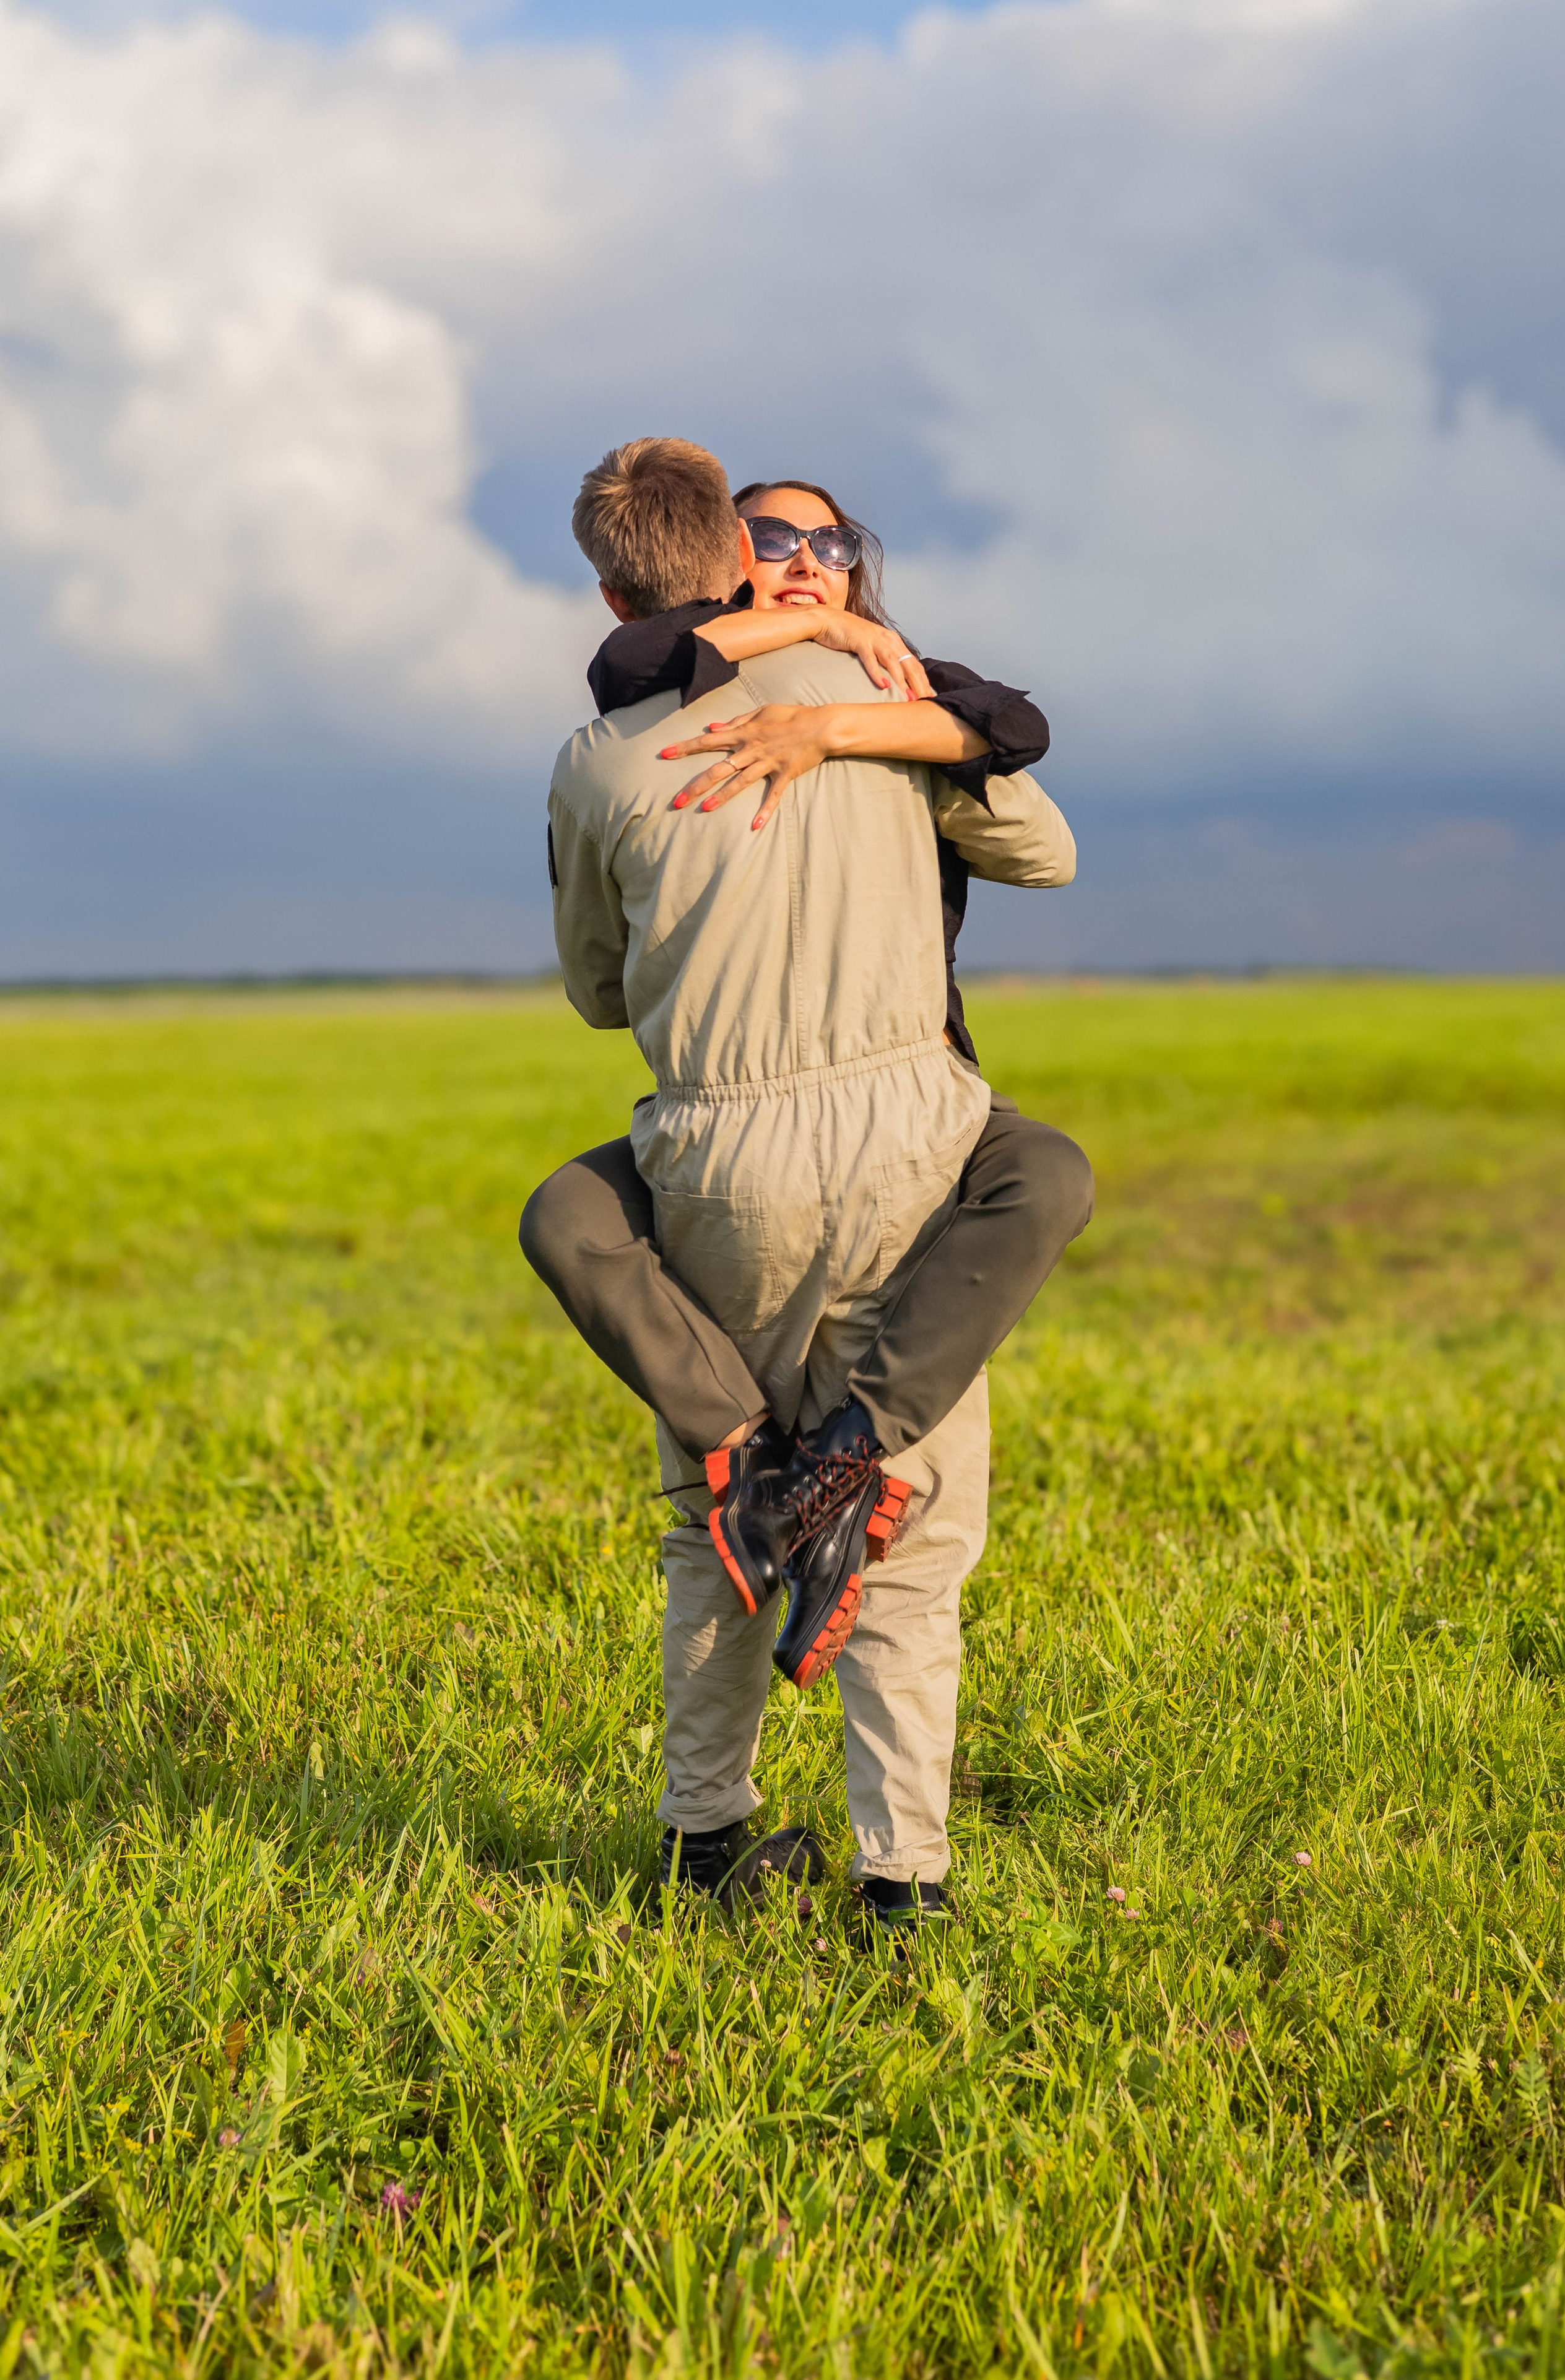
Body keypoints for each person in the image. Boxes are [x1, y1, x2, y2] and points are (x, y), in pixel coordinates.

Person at [532, 438, 1088, 1938]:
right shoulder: (889, 704)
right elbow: (1043, 849)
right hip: (908, 1133)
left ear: (620, 592)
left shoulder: (597, 755)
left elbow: (596, 993)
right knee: (904, 1532)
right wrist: (875, 727)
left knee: (716, 1525)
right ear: (739, 561)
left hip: (713, 1161)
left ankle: (701, 1845)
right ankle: (900, 1883)